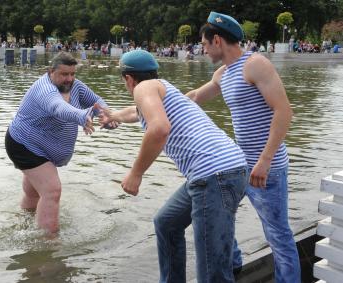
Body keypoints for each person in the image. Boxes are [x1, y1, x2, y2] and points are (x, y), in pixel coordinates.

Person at [98, 50, 248, 282]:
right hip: (226, 168)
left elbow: (159, 129)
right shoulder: (162, 88)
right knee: (167, 223)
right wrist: (112, 116)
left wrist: (135, 174)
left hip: (214, 175)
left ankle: (227, 269)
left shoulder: (142, 89)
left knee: (211, 270)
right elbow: (135, 113)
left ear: (128, 78)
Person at [186, 12, 300, 283]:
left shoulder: (255, 64)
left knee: (277, 234)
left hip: (266, 167)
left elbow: (284, 111)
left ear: (217, 40)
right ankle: (234, 265)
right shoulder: (223, 73)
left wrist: (265, 160)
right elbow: (193, 98)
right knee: (219, 216)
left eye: (204, 44)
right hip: (237, 166)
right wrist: (146, 108)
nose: (202, 50)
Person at [5, 52, 115, 234]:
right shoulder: (45, 89)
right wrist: (82, 115)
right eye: (64, 74)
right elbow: (58, 107)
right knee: (52, 190)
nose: (69, 79)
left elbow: (96, 102)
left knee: (34, 193)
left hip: (41, 147)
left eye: (72, 74)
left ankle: (23, 227)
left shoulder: (75, 86)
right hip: (25, 145)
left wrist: (108, 115)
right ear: (51, 71)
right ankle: (49, 246)